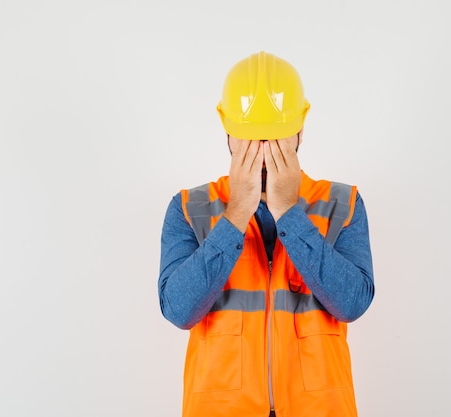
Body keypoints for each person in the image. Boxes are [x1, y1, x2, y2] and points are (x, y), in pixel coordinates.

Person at [158, 51, 374, 417]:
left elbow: (352, 303)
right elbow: (179, 311)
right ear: (227, 132)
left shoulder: (342, 203)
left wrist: (290, 212)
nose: (262, 153)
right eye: (250, 139)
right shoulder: (188, 207)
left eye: (275, 139)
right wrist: (236, 213)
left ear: (300, 131)